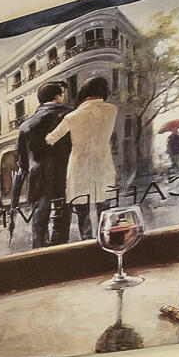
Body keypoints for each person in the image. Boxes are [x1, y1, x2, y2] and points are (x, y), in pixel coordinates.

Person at [56, 76, 121, 240]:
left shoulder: (71, 117)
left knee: (82, 210)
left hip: (79, 166)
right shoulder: (112, 109)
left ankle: (87, 241)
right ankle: (105, 239)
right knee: (104, 208)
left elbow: (51, 138)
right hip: (102, 164)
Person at [22, 83, 75, 246]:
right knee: (61, 218)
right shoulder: (70, 115)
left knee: (39, 219)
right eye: (62, 94)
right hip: (64, 174)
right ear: (58, 96)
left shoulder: (26, 125)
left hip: (38, 177)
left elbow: (23, 161)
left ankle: (39, 253)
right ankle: (60, 253)